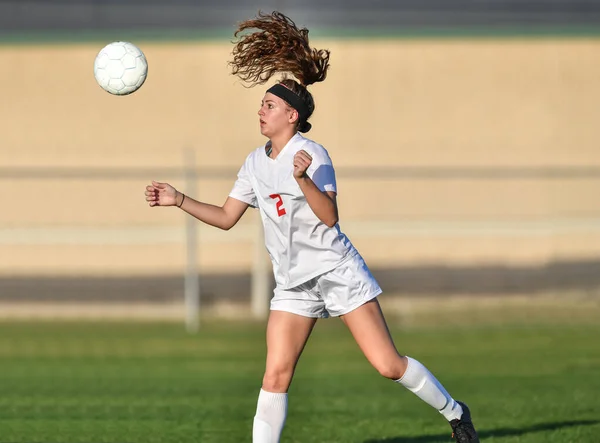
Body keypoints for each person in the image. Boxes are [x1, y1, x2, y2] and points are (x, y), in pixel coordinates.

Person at [145, 11, 479, 443]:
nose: (260, 110)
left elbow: (330, 217)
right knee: (275, 375)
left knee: (387, 365)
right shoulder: (253, 161)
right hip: (292, 283)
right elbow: (228, 218)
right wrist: (179, 199)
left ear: (292, 116)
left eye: (269, 105)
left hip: (335, 271)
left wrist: (302, 179)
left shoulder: (312, 154)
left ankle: (455, 412)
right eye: (262, 103)